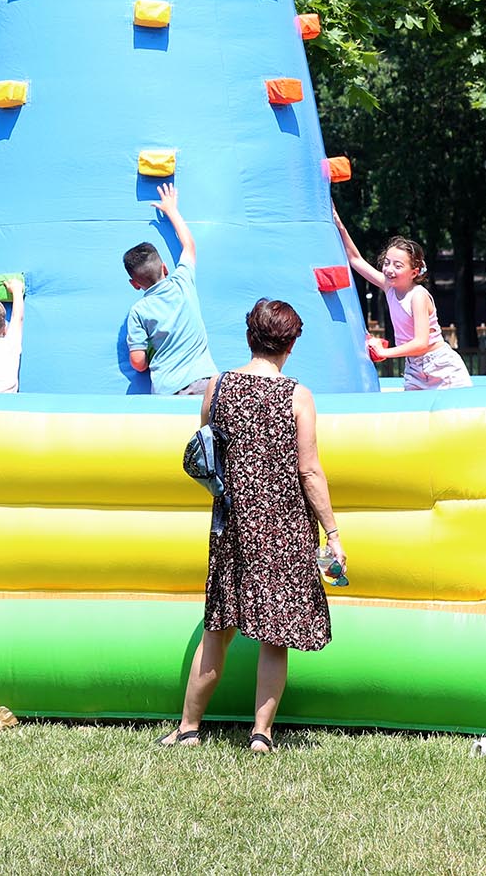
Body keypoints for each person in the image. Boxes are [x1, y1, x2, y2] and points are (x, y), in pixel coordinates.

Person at [156, 299, 341, 754]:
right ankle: (261, 735)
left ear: (249, 337)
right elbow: (310, 471)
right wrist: (333, 533)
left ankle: (188, 728)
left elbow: (206, 451)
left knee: (217, 629)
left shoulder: (217, 387)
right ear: (291, 344)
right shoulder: (297, 395)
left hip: (232, 526)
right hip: (285, 527)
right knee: (275, 638)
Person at [333, 208, 471, 389]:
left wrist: (385, 352)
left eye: (398, 265)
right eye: (387, 262)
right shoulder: (389, 287)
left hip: (440, 365)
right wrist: (338, 223)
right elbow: (355, 259)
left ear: (414, 272)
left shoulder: (418, 296)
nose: (389, 269)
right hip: (414, 367)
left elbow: (421, 342)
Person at [124, 184, 217, 396]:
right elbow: (189, 246)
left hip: (169, 390)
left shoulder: (138, 311)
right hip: (205, 382)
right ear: (165, 267)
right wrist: (172, 210)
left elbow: (138, 362)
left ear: (135, 284)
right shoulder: (182, 282)